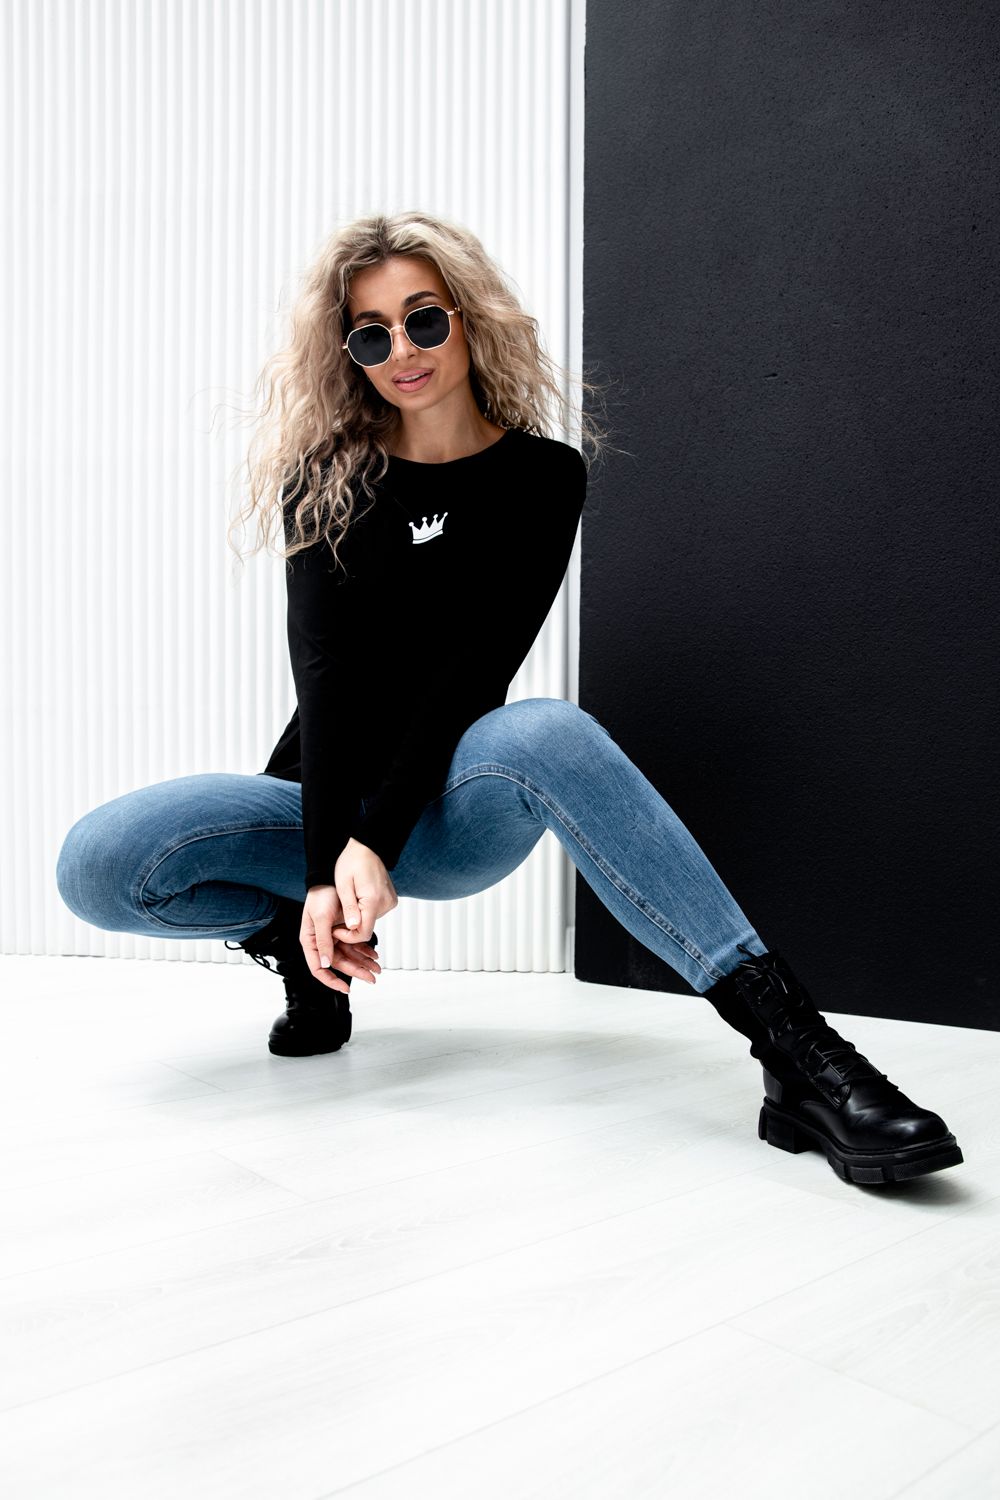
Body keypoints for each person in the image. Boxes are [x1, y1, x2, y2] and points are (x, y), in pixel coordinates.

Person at [56, 209, 962, 1186]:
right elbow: (323, 680)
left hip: (446, 810)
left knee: (545, 730)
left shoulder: (540, 477)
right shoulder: (326, 480)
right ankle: (297, 946)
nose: (403, 351)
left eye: (422, 320)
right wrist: (322, 871)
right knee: (97, 861)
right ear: (348, 354)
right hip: (320, 800)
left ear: (467, 317)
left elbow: (471, 674)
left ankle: (799, 1055)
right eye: (371, 335)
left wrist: (378, 839)